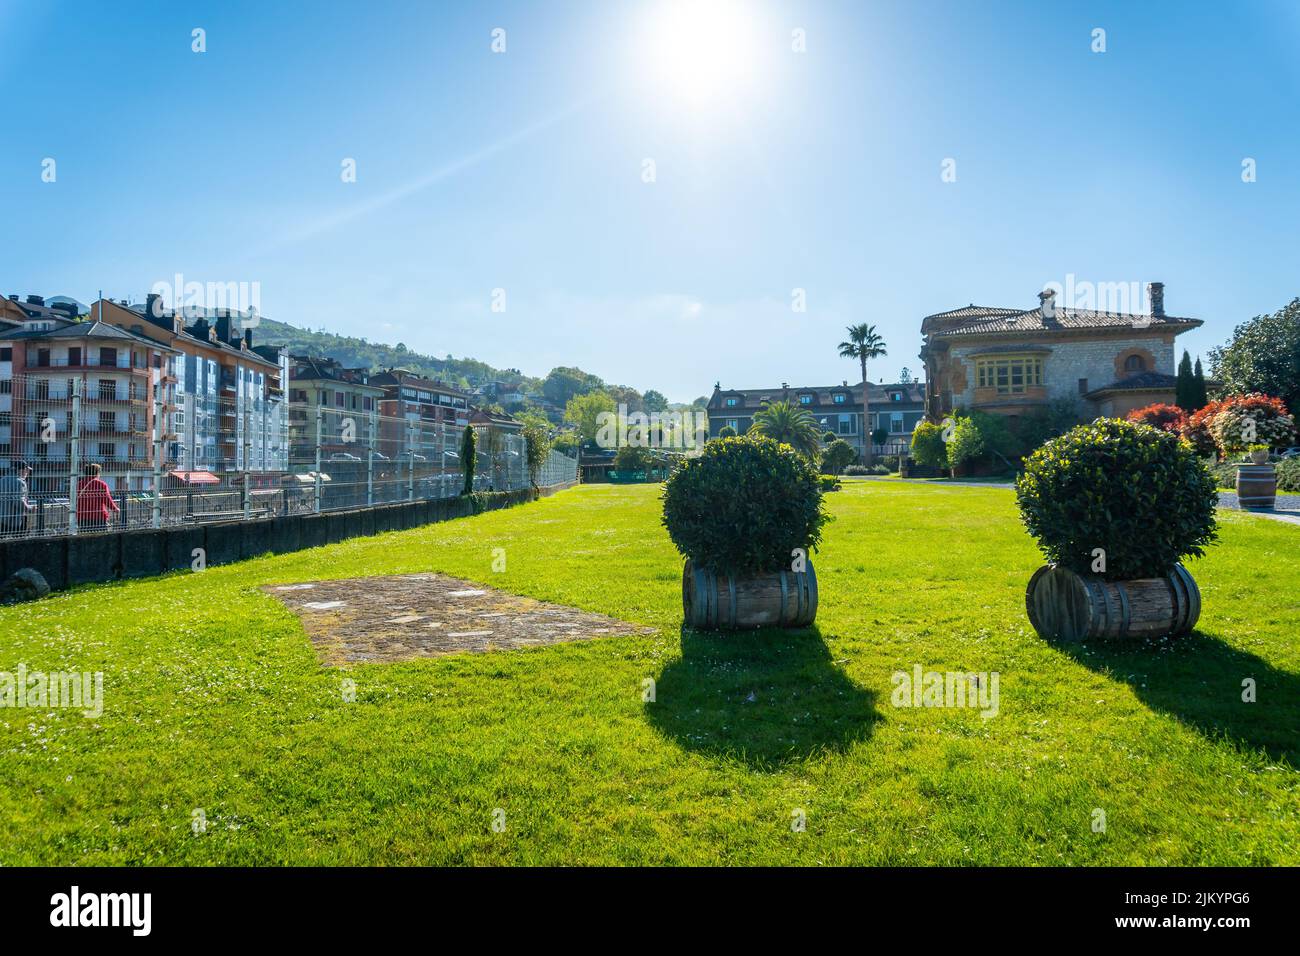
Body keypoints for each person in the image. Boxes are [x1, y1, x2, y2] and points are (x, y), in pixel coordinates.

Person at [76, 463, 119, 532]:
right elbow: (107, 499)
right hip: (98, 516)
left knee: (84, 536)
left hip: (82, 516)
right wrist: (115, 509)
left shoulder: (79, 484)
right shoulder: (101, 484)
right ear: (97, 473)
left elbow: (73, 499)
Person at [0, 460, 35, 537]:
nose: (27, 473)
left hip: (2, 519)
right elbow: (18, 502)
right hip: (14, 521)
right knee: (18, 543)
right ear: (21, 470)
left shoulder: (2, 479)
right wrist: (30, 508)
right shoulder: (20, 482)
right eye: (26, 470)